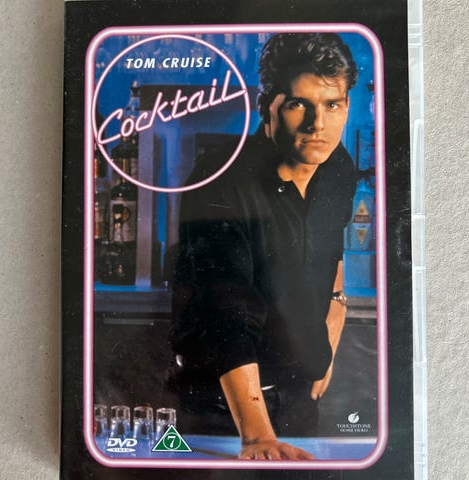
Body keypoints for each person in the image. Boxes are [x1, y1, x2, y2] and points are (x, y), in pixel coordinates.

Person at [170, 32, 358, 461]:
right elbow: (226, 314)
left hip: (299, 397)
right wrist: (256, 437)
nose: (318, 124)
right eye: (298, 105)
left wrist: (336, 309)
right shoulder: (219, 180)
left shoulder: (337, 167)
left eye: (332, 105)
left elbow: (332, 245)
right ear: (266, 108)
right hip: (222, 406)